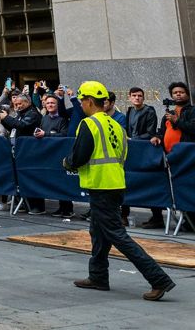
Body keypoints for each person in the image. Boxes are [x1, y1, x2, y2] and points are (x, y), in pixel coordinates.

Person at [63, 81, 175, 301]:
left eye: (81, 101)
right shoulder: (116, 125)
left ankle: (158, 279)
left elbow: (79, 156)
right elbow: (123, 154)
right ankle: (97, 276)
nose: (81, 105)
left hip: (101, 185)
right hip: (116, 183)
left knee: (117, 235)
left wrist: (67, 162)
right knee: (98, 231)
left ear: (87, 101)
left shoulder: (89, 124)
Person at [122, 87, 165, 230]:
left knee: (148, 182)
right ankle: (124, 215)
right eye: (134, 95)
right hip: (131, 150)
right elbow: (127, 129)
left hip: (144, 149)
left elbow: (151, 132)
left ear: (143, 98)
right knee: (126, 181)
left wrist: (134, 139)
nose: (137, 98)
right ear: (129, 97)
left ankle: (157, 216)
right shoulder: (130, 111)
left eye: (140, 96)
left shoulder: (149, 111)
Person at [161, 81, 195, 149]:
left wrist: (177, 121)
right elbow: (162, 133)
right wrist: (157, 137)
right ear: (172, 96)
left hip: (187, 153)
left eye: (182, 92)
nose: (178, 94)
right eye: (175, 93)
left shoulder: (192, 110)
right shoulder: (168, 115)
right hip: (169, 155)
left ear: (188, 95)